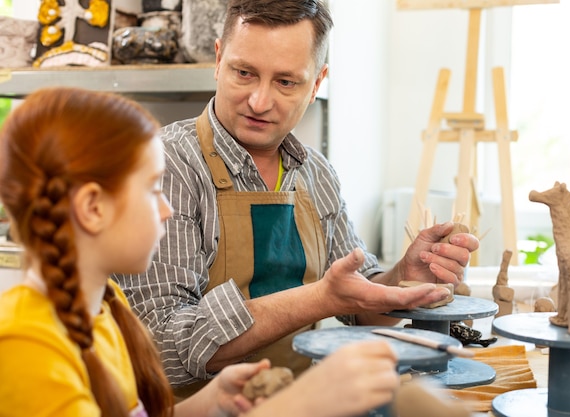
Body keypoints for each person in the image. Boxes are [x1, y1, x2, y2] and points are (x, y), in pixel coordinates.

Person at [112, 0, 479, 395]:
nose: (259, 101)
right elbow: (162, 349)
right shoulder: (166, 166)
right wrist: (319, 299)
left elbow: (359, 305)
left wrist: (403, 278)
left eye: (286, 82)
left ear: (317, 83)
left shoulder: (316, 173)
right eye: (244, 73)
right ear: (219, 60)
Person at [0, 86, 402, 417]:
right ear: (92, 208)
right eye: (152, 189)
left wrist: (209, 403)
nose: (166, 208)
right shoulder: (25, 347)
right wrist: (297, 407)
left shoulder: (105, 305)